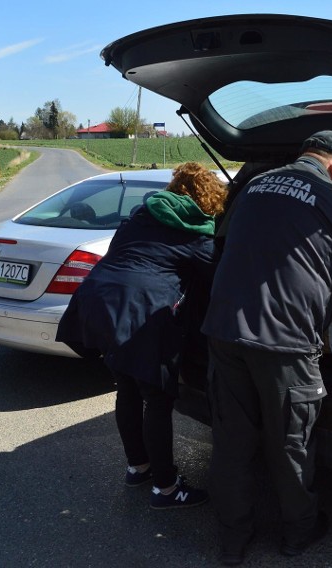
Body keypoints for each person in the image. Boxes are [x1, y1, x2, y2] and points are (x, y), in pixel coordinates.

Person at [202, 130, 332, 565]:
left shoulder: (255, 186)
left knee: (232, 443)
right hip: (285, 342)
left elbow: (220, 247)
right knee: (291, 443)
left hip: (223, 331)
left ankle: (232, 542)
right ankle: (299, 532)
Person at [56, 161, 228, 510]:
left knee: (128, 388)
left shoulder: (140, 215)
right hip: (141, 313)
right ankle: (166, 488)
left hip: (98, 303)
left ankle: (139, 467)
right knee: (158, 398)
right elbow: (218, 281)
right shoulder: (196, 232)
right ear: (209, 198)